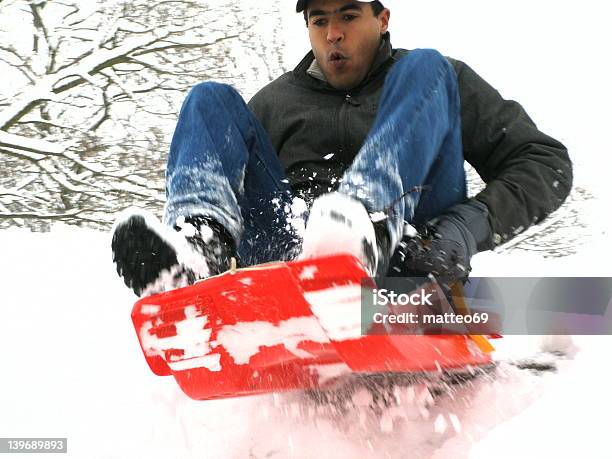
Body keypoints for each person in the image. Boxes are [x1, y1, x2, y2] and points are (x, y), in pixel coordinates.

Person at [112, 0, 572, 297]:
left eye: (349, 16)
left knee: (426, 66)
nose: (333, 33)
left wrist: (461, 230)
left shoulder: (432, 82)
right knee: (209, 99)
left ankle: (362, 229)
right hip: (293, 254)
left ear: (383, 18)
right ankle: (199, 251)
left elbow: (544, 163)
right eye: (320, 20)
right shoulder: (276, 104)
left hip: (409, 249)